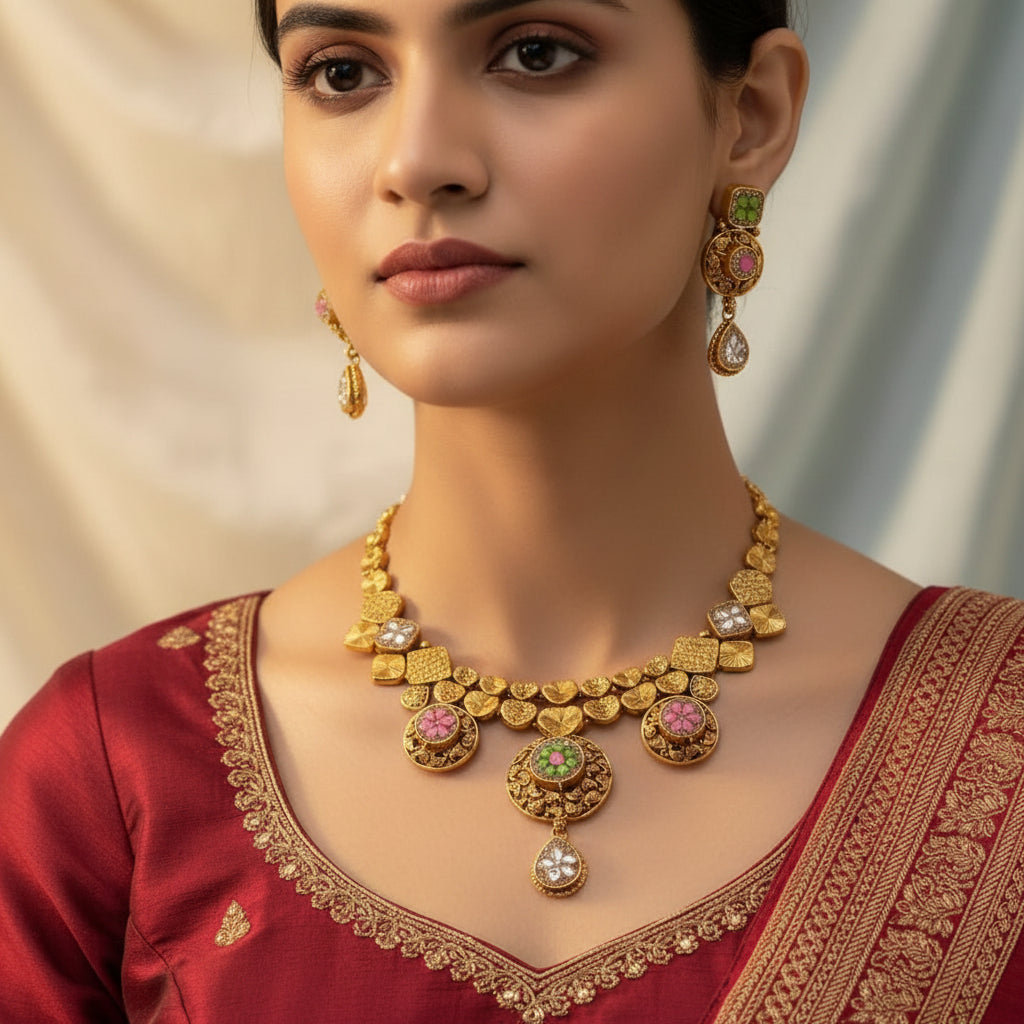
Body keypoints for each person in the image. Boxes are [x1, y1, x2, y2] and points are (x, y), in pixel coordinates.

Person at [1, 1, 1022, 1021]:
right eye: (343, 74)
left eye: (536, 53)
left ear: (749, 118)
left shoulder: (999, 738)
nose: (416, 161)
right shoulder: (114, 783)